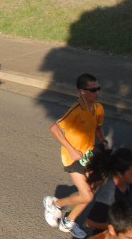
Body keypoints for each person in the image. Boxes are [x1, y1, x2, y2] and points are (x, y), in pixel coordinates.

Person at [44, 73, 107, 239]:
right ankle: (54, 204)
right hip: (72, 157)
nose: (97, 92)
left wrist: (103, 142)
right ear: (82, 92)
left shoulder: (98, 108)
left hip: (89, 154)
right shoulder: (76, 110)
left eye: (98, 88)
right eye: (93, 90)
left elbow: (97, 127)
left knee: (90, 190)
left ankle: (69, 222)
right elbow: (54, 128)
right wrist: (72, 150)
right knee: (87, 195)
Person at [85, 147, 132, 235]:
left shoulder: (127, 183)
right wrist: (116, 227)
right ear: (119, 173)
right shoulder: (108, 195)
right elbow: (89, 222)